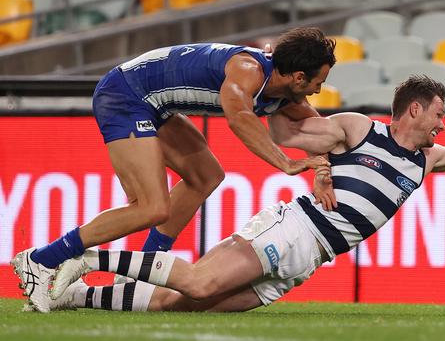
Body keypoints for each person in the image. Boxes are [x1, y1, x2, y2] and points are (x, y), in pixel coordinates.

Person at [43, 75, 445, 313]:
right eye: (440, 113)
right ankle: (84, 258)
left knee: (179, 305)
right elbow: (288, 133)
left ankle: (73, 297)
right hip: (296, 227)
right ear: (415, 109)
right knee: (202, 284)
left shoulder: (427, 158)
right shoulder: (358, 128)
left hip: (311, 259)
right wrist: (319, 162)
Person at [11, 27, 337, 312]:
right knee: (151, 208)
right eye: (317, 83)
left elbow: (322, 131)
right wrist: (286, 162)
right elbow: (240, 117)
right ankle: (41, 260)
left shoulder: (283, 91)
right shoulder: (247, 69)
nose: (318, 91)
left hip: (155, 105)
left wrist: (327, 174)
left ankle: (140, 276)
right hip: (125, 96)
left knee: (206, 176)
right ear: (298, 77)